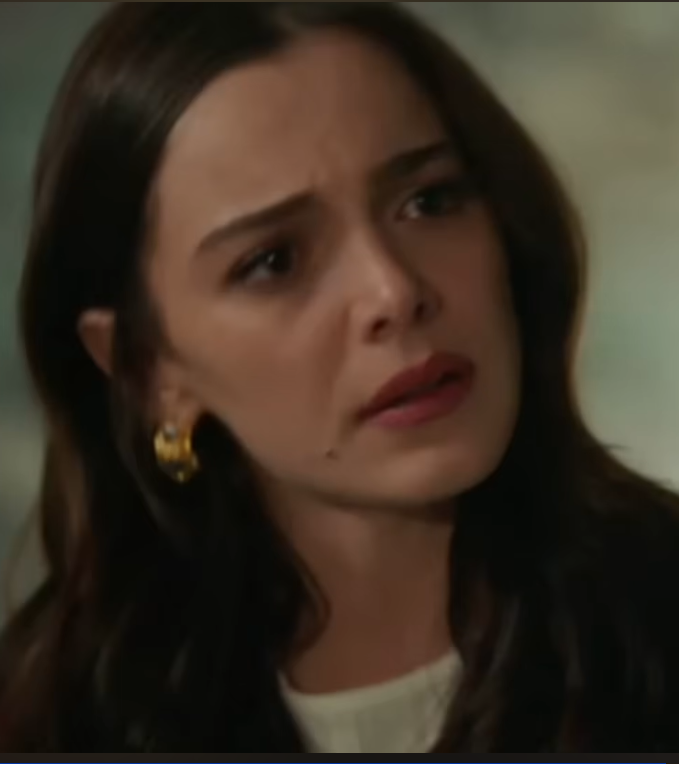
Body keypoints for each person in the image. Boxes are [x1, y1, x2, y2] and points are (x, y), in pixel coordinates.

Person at [1, 1, 678, 753]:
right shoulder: (56, 719)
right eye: (274, 261)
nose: (393, 290)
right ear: (147, 368)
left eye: (428, 200)